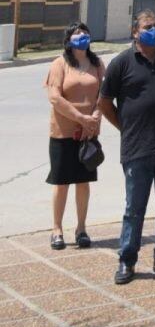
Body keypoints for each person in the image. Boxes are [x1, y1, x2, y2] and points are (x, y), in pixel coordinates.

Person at [99, 10, 155, 285]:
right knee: (134, 208)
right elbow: (105, 103)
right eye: (149, 27)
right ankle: (127, 260)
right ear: (135, 32)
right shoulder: (121, 63)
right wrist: (126, 127)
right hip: (136, 148)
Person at [45, 22, 105, 250]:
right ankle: (57, 229)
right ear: (68, 40)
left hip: (88, 134)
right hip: (63, 132)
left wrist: (96, 116)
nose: (82, 36)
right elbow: (55, 98)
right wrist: (81, 117)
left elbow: (104, 93)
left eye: (85, 33)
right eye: (77, 33)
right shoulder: (59, 64)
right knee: (61, 182)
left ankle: (81, 228)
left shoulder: (97, 64)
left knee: (83, 181)